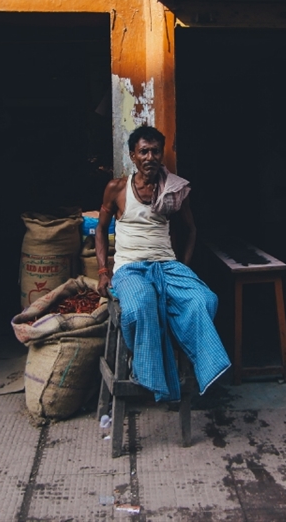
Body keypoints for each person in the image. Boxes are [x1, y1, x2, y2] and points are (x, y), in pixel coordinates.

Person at [95, 126, 230, 402]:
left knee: (203, 298)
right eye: (143, 151)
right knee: (139, 304)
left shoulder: (173, 190)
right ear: (133, 156)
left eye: (156, 151)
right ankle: (143, 370)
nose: (150, 157)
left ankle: (204, 368)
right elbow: (100, 229)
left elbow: (192, 230)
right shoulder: (117, 188)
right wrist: (102, 272)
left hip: (167, 265)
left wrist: (185, 266)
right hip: (129, 269)